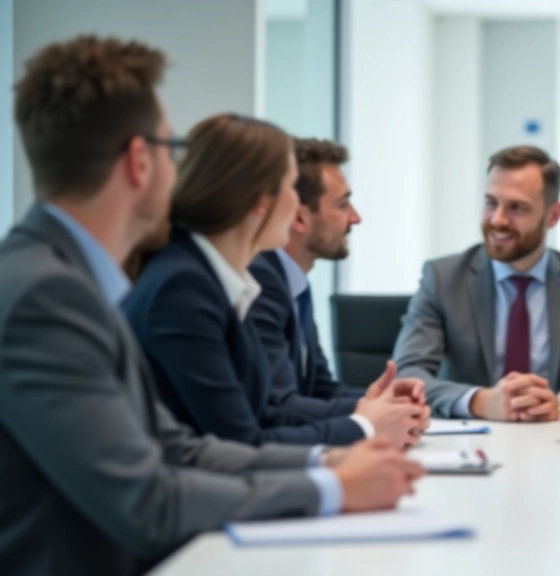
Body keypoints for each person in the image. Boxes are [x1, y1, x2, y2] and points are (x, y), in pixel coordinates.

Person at [0, 36, 422, 576]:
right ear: (139, 162)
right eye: (172, 149)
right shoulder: (47, 296)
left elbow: (180, 449)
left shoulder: (68, 279)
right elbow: (147, 502)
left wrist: (330, 461)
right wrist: (331, 488)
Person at [123, 114, 426, 449]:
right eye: (289, 187)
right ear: (258, 201)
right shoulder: (183, 287)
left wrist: (374, 413)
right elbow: (244, 439)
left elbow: (267, 411)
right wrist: (366, 425)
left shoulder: (213, 278)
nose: (296, 204)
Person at [393, 145, 560, 420]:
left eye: (517, 208)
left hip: (555, 445)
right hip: (470, 442)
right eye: (491, 203)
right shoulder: (443, 279)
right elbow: (407, 375)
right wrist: (479, 401)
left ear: (553, 215)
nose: (498, 219)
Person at [248, 138, 429, 425]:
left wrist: (382, 402)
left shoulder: (294, 284)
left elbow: (320, 389)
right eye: (343, 204)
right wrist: (370, 416)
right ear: (299, 218)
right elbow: (278, 406)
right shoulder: (260, 283)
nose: (355, 218)